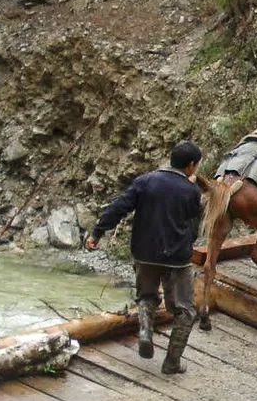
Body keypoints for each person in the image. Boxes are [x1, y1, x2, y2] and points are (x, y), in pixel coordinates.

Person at [86, 140, 204, 375]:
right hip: (177, 259)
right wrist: (187, 245)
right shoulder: (192, 191)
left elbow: (119, 207)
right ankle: (172, 362)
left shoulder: (145, 181)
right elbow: (193, 226)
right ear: (191, 166)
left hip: (145, 253)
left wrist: (98, 232)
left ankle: (145, 333)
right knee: (186, 310)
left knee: (146, 297)